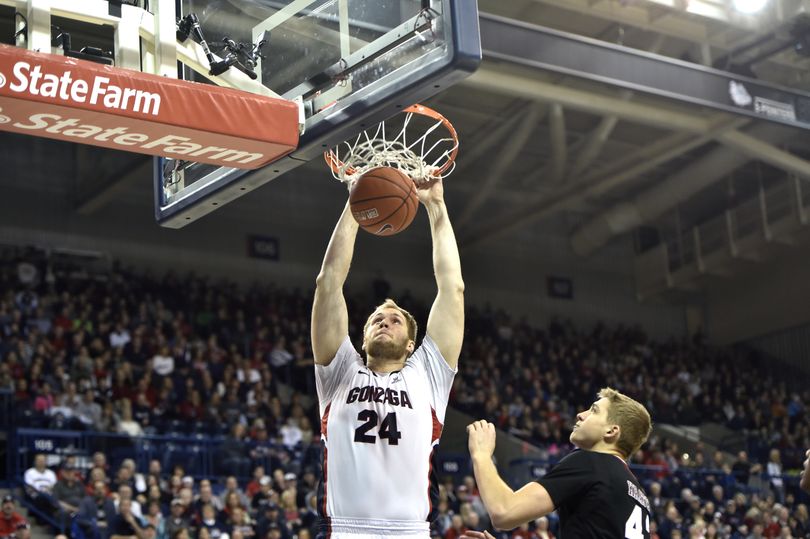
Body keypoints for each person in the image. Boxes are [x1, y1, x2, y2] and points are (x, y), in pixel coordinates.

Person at [310, 177, 464, 538]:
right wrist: (355, 204)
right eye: (377, 319)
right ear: (362, 339)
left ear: (411, 344)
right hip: (344, 530)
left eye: (395, 320)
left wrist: (436, 207)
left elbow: (452, 288)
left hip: (410, 532)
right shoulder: (339, 370)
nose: (385, 321)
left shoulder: (428, 373)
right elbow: (328, 282)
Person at [464, 388, 652, 538]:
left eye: (594, 411)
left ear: (611, 431)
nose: (580, 414)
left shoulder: (590, 462)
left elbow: (504, 512)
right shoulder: (640, 496)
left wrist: (481, 455)